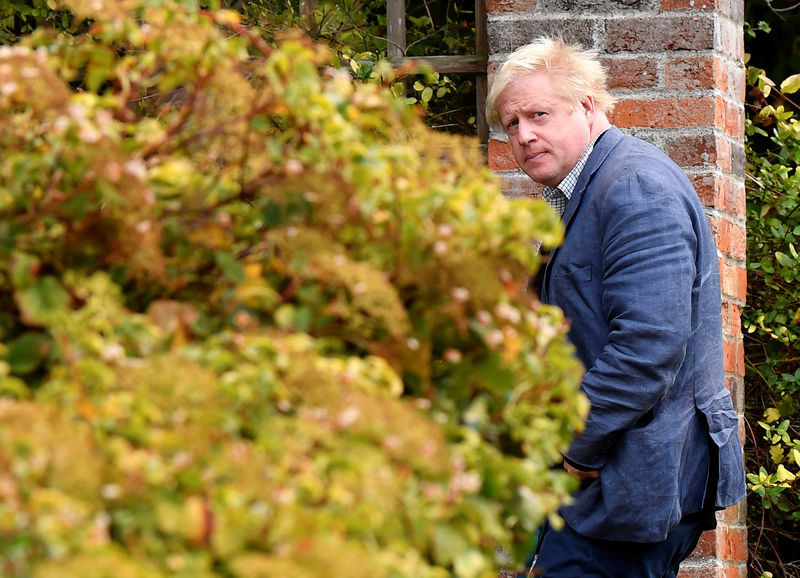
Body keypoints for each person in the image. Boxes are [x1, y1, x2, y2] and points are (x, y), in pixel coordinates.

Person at [485, 37, 747, 577]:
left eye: (538, 114)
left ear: (586, 106)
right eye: (512, 124)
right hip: (614, 475)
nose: (524, 134)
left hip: (633, 474)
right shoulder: (582, 190)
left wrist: (576, 450)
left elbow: (648, 346)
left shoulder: (634, 187)